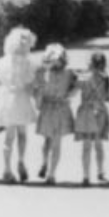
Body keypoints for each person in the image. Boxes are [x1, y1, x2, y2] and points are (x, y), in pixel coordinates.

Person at [0, 27, 38, 184]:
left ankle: (6, 169)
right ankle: (20, 160)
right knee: (22, 134)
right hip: (21, 98)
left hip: (6, 98)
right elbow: (30, 84)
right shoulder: (29, 63)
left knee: (8, 137)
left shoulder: (1, 62)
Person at [35, 43, 77, 185]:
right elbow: (75, 88)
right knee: (52, 142)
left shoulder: (47, 73)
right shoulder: (67, 73)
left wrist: (39, 104)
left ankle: (48, 168)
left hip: (51, 108)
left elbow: (39, 92)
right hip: (57, 108)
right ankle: (48, 169)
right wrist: (69, 95)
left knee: (51, 142)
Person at [74, 51, 109, 186]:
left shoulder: (83, 79)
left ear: (89, 64)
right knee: (99, 145)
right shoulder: (106, 79)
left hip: (85, 112)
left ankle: (86, 176)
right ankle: (100, 171)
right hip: (100, 112)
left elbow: (72, 91)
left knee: (86, 146)